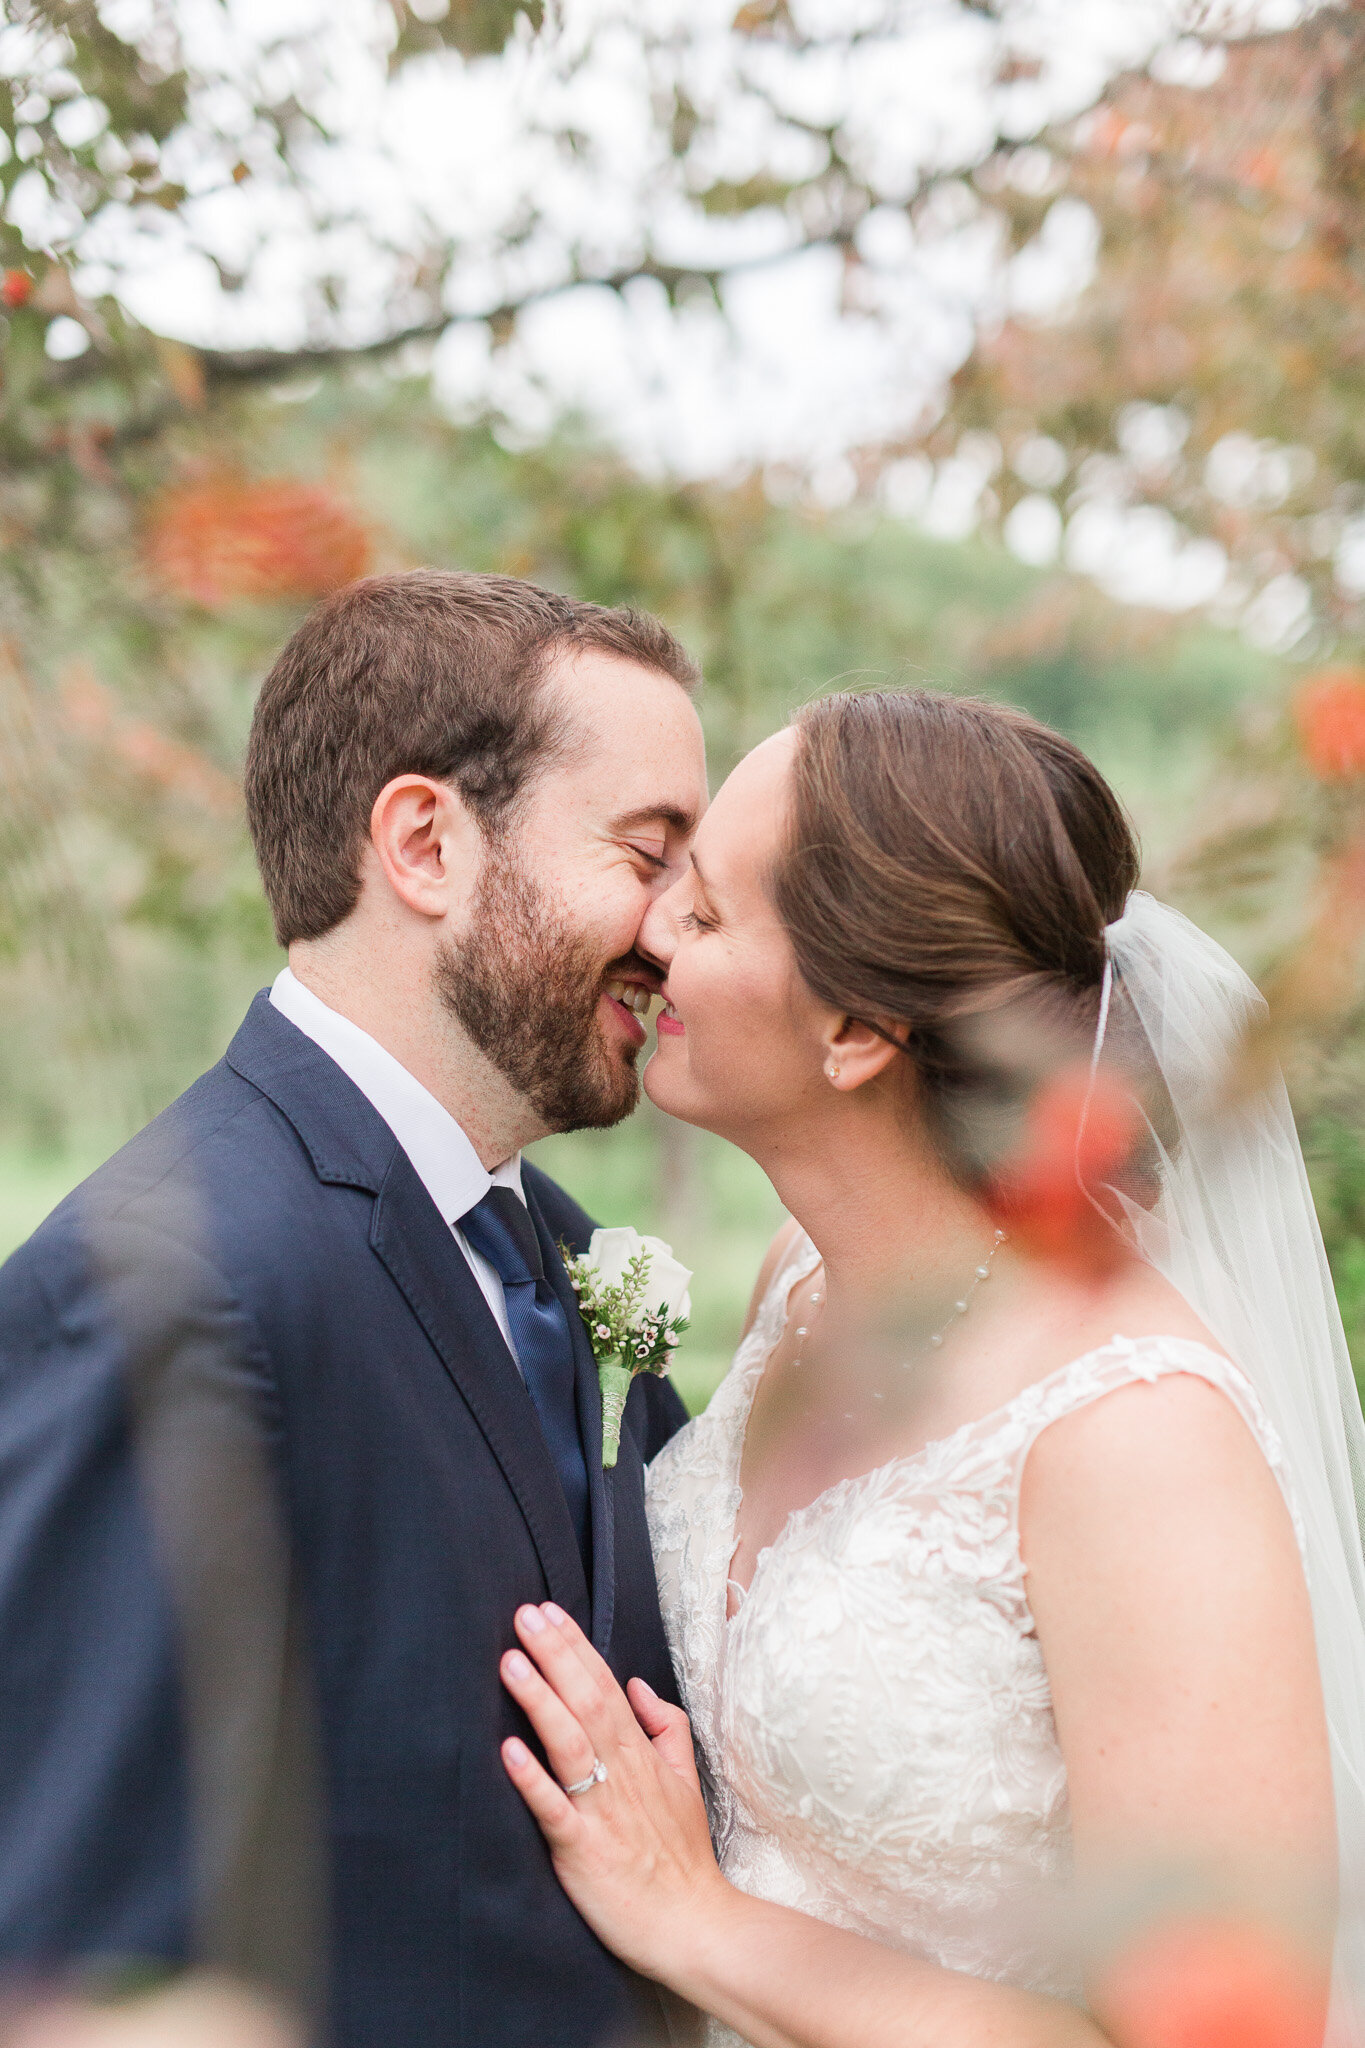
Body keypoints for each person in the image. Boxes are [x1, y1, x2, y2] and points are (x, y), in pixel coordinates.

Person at [498, 688, 1365, 2048]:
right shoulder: (803, 1279)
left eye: (709, 912)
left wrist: (699, 1923)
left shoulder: (1133, 1436)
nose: (650, 932)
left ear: (855, 1031)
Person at [0, 571, 708, 2048]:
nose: (676, 933)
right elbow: (94, 1950)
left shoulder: (558, 1254)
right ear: (426, 842)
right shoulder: (167, 1285)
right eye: (649, 857)